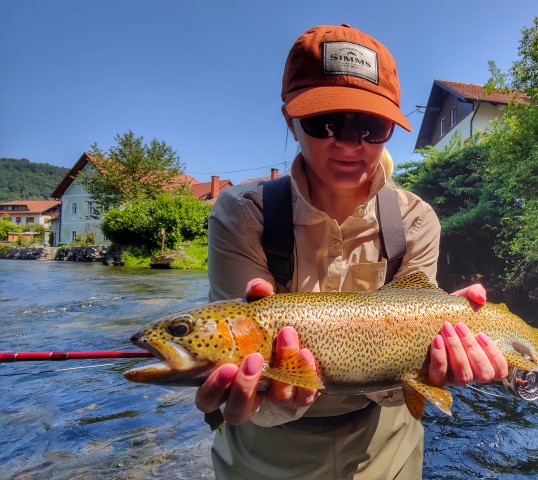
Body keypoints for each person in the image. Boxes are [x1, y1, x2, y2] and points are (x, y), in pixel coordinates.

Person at [194, 24, 508, 479]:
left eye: (370, 125)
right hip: (264, 452)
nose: (348, 142)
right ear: (290, 120)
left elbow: (407, 382)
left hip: (386, 445)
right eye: (324, 121)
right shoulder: (242, 215)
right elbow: (239, 370)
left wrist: (432, 369)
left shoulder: (416, 220)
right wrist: (266, 401)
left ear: (388, 131)